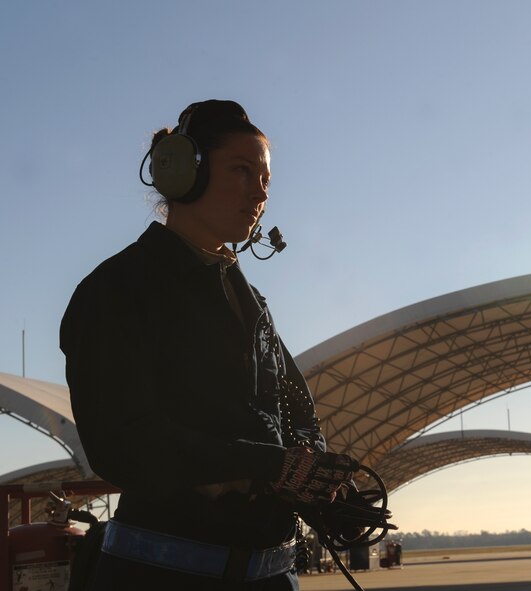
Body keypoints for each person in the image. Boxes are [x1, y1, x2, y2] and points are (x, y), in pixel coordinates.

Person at [60, 100, 356, 590]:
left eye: (265, 180)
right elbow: (121, 443)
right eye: (242, 171)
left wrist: (309, 465)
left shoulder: (252, 302)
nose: (259, 193)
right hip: (161, 575)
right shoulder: (115, 289)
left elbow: (294, 407)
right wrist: (267, 465)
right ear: (181, 174)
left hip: (270, 576)